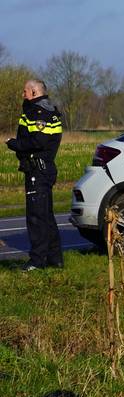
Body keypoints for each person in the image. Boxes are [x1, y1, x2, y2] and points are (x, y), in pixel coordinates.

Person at [5, 79, 64, 271]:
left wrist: (13, 143)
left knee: (36, 217)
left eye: (24, 91)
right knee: (46, 215)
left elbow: (37, 142)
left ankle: (37, 262)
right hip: (42, 169)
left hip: (37, 171)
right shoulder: (44, 110)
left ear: (33, 92)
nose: (22, 95)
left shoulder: (40, 113)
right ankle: (55, 260)